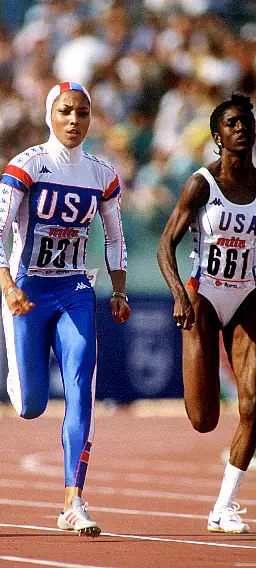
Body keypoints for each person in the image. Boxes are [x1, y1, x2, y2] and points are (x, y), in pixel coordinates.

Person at [0, 81, 130, 537]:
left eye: (82, 113)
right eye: (66, 111)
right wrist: (7, 286)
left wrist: (119, 291)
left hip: (75, 290)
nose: (73, 120)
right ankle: (19, 375)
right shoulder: (27, 165)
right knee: (30, 405)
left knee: (82, 388)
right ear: (51, 114)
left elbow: (115, 237)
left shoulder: (102, 174)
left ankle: (73, 501)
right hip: (27, 291)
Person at [157, 92, 256, 534]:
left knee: (254, 404)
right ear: (218, 136)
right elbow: (165, 245)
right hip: (204, 296)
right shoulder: (202, 183)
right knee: (204, 420)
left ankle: (222, 507)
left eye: (246, 122)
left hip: (249, 296)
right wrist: (179, 293)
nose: (241, 128)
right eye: (232, 123)